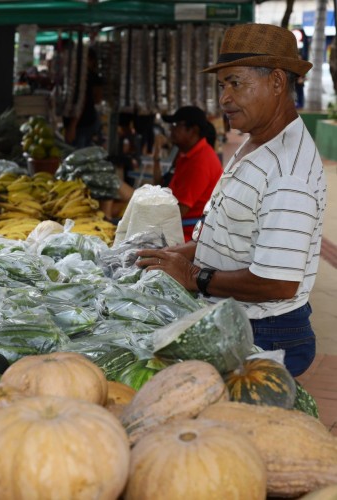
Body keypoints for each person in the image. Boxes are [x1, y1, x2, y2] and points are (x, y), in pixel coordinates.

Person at [135, 23, 326, 378]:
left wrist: (194, 276)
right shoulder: (257, 142)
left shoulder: (288, 173)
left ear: (277, 82)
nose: (224, 98)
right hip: (236, 319)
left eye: (236, 83)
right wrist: (178, 255)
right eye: (222, 85)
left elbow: (278, 282)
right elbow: (232, 235)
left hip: (264, 333)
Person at [153, 106, 222, 241]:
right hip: (178, 229)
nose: (171, 130)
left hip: (187, 237)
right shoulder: (187, 154)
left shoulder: (200, 161)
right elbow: (160, 185)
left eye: (176, 125)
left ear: (193, 130)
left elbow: (177, 213)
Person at [64, 47, 104, 149]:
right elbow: (97, 99)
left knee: (78, 153)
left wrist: (73, 125)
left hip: (82, 123)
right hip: (86, 121)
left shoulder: (84, 78)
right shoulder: (81, 76)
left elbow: (84, 101)